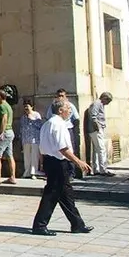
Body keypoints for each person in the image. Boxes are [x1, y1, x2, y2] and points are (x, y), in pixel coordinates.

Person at [32, 99, 93, 236]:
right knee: (52, 194)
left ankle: (77, 224)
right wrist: (78, 162)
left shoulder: (47, 124)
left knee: (66, 194)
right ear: (60, 110)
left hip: (51, 161)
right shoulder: (58, 124)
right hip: (58, 163)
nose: (70, 110)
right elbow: (63, 148)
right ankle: (40, 225)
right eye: (68, 108)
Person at [0, 90, 16, 184]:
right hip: (10, 132)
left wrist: (1, 132)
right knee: (10, 155)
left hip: (5, 133)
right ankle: (12, 177)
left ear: (0, 96)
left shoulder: (2, 106)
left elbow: (4, 118)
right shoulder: (8, 106)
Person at [86, 92, 114, 177]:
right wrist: (98, 127)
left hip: (95, 129)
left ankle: (97, 169)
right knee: (101, 149)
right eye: (108, 101)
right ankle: (103, 169)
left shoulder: (98, 104)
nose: (107, 103)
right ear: (104, 98)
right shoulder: (97, 103)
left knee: (96, 149)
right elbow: (93, 117)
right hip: (96, 129)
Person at [20, 99, 44, 179]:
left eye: (27, 106)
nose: (26, 108)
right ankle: (27, 172)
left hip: (34, 139)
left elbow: (40, 126)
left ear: (32, 107)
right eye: (25, 107)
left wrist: (32, 119)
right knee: (27, 157)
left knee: (34, 156)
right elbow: (21, 129)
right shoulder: (23, 117)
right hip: (26, 139)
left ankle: (33, 172)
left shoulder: (36, 115)